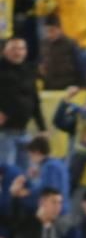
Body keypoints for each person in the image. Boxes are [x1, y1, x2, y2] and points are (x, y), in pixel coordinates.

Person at [0, 38, 46, 168]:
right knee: (6, 174)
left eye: (21, 48)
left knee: (24, 174)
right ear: (4, 51)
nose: (18, 52)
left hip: (24, 132)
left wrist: (42, 127)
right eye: (14, 48)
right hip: (3, 134)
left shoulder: (29, 70)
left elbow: (35, 100)